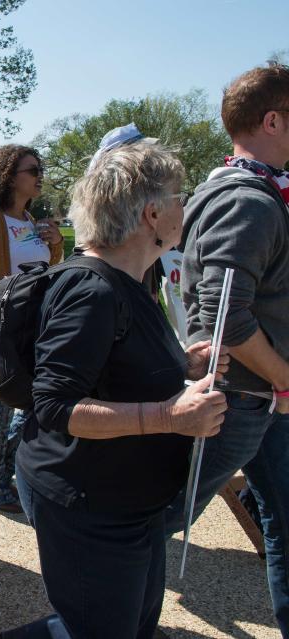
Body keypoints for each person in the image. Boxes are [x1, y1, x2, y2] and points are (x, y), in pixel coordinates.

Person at [0, 142, 227, 639]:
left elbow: (113, 364)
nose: (187, 206)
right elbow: (54, 406)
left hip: (129, 499)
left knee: (133, 625)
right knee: (98, 630)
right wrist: (169, 417)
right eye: (180, 196)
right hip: (88, 505)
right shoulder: (93, 291)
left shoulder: (130, 278)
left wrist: (182, 363)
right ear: (152, 214)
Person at [164, 63, 289, 635]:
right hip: (246, 398)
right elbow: (225, 319)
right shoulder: (250, 202)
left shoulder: (243, 190)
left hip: (257, 397)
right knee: (153, 516)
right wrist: (285, 379)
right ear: (271, 120)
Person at [0, 145, 64, 514]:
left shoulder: (29, 218)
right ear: (10, 176)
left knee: (31, 405)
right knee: (1, 406)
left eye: (40, 168)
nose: (40, 175)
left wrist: (55, 246)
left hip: (34, 328)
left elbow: (43, 271)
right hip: (1, 329)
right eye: (32, 170)